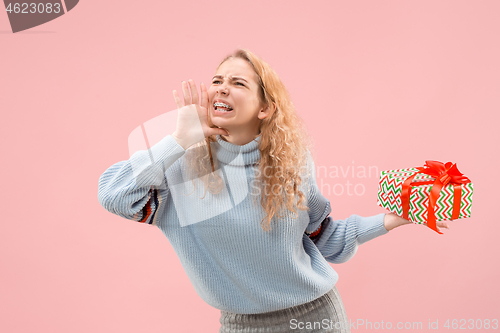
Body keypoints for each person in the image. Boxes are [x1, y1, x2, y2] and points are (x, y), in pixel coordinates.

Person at [97, 49, 450, 333]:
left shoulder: (291, 163)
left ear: (265, 108)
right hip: (240, 326)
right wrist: (179, 140)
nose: (221, 87)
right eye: (217, 80)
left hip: (317, 319)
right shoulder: (179, 168)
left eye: (237, 83)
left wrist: (395, 218)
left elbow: (326, 239)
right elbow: (115, 194)